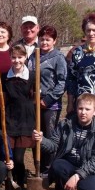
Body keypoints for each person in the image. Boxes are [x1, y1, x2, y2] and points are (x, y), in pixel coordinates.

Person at [33, 93, 95, 190]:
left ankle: (84, 186)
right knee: (57, 165)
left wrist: (78, 176)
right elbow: (53, 146)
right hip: (68, 164)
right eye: (80, 108)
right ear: (76, 109)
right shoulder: (65, 125)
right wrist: (42, 140)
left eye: (87, 109)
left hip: (88, 168)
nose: (83, 112)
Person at [27, 25, 67, 174]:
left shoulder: (58, 58)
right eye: (42, 39)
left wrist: (47, 100)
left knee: (48, 138)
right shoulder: (33, 55)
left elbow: (62, 82)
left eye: (48, 40)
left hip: (50, 105)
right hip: (34, 102)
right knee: (35, 136)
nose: (44, 42)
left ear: (54, 41)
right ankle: (37, 167)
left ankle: (47, 170)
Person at [3, 44, 36, 190]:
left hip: (26, 119)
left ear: (25, 57)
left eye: (20, 57)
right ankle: (12, 181)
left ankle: (21, 182)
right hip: (10, 118)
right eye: (14, 57)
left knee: (18, 157)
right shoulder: (5, 76)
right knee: (9, 156)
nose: (17, 60)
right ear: (10, 58)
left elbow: (36, 96)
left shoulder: (33, 75)